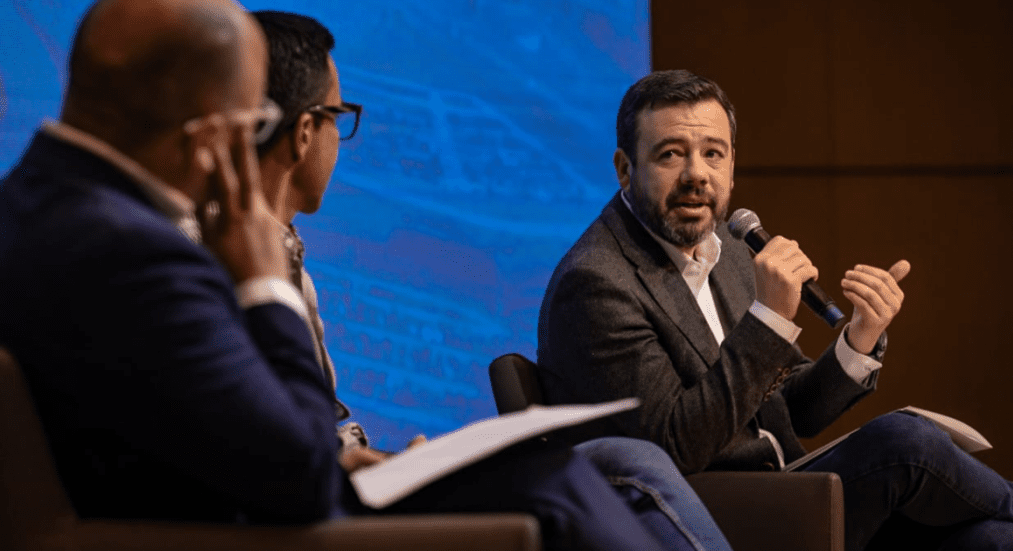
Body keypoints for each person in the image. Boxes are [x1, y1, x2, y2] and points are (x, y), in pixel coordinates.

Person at [0, 1, 709, 548]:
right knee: (555, 478)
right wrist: (265, 284)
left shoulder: (35, 206)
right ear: (211, 131)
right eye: (249, 121)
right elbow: (297, 472)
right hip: (231, 526)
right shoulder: (132, 253)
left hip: (219, 495)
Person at [248, 11, 732, 551]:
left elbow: (313, 416)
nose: (697, 173)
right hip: (310, 505)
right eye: (340, 118)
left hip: (341, 476)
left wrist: (374, 456)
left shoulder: (282, 251)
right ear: (305, 132)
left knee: (600, 464)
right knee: (611, 463)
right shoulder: (238, 262)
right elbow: (271, 438)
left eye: (714, 153)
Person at [536, 69, 1013, 551]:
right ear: (625, 170)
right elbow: (674, 446)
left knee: (997, 539)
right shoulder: (596, 284)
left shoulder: (728, 250)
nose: (696, 174)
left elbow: (795, 413)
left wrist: (858, 340)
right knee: (906, 442)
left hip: (792, 491)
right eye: (671, 154)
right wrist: (769, 321)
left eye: (713, 153)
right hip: (716, 514)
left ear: (732, 167)